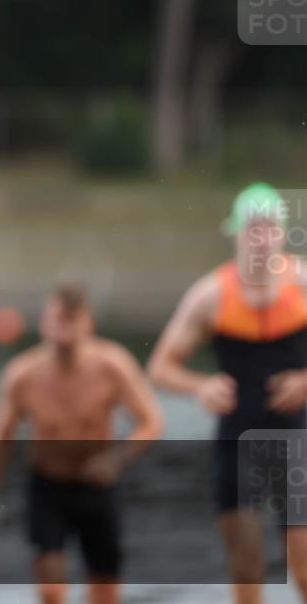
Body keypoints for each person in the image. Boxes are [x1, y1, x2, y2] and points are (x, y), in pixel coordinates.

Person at [147, 183, 307, 604]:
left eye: (268, 228)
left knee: (305, 565)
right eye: (252, 228)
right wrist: (202, 385)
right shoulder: (210, 296)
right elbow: (160, 365)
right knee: (246, 565)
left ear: (283, 233)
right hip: (238, 442)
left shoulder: (304, 282)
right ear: (235, 233)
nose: (260, 238)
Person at [0, 283, 163, 604]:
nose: (65, 329)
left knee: (105, 591)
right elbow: (1, 436)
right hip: (48, 488)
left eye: (72, 319)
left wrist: (116, 459)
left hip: (99, 488)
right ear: (44, 323)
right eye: (58, 319)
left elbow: (151, 422)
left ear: (87, 323)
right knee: (50, 589)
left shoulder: (112, 366)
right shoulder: (23, 374)